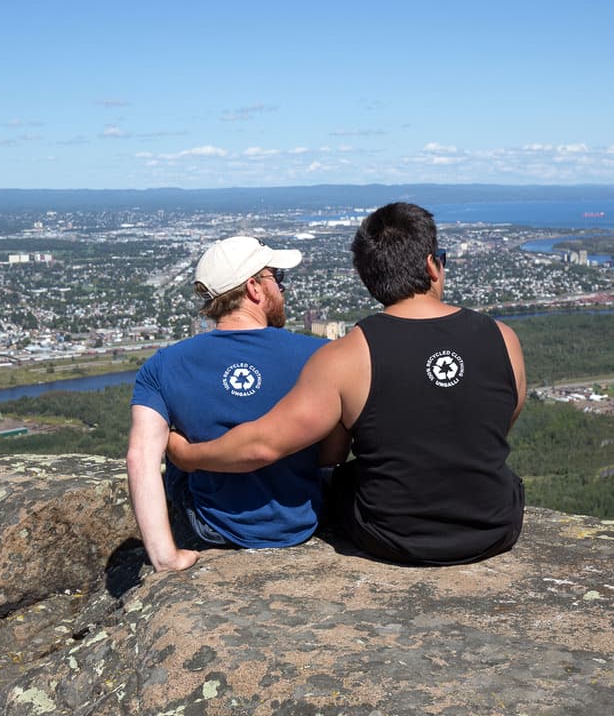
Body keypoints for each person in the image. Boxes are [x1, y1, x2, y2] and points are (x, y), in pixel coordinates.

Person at [168, 202, 527, 566]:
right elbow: (496, 424)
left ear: (367, 278)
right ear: (432, 266)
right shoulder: (503, 339)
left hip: (390, 537)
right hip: (495, 527)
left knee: (343, 478)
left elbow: (275, 447)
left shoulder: (345, 357)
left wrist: (188, 456)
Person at [127, 235, 347, 572]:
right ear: (255, 288)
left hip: (211, 527)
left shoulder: (163, 365)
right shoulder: (320, 357)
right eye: (278, 279)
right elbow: (332, 455)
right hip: (302, 519)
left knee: (171, 449)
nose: (283, 289)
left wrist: (165, 558)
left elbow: (141, 458)